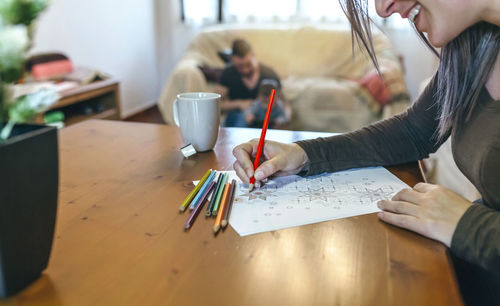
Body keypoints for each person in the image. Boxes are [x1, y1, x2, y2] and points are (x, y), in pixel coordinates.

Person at [232, 0, 500, 303]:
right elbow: (414, 132)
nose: (382, 7)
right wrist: (304, 154)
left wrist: (469, 225)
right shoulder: (473, 43)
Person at [216, 39, 287, 127]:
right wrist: (239, 104)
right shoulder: (228, 73)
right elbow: (215, 104)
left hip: (266, 119)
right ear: (232, 60)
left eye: (248, 64)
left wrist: (282, 119)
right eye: (240, 66)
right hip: (238, 117)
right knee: (239, 118)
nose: (245, 70)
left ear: (253, 56)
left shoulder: (269, 74)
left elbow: (285, 104)